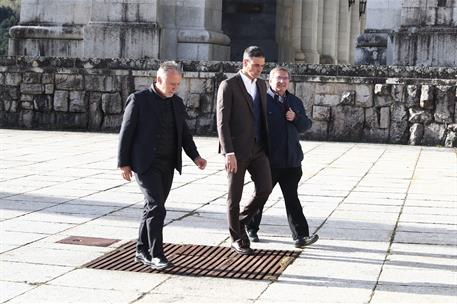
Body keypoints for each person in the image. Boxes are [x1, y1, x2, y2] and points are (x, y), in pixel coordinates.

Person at [118, 61, 207, 269]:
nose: (175, 88)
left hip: (168, 164)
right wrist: (124, 164)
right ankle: (156, 253)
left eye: (178, 84)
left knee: (152, 208)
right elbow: (126, 132)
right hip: (145, 164)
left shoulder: (176, 103)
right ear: (158, 80)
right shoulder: (138, 100)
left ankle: (141, 250)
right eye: (171, 84)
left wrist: (196, 157)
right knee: (158, 207)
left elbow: (184, 133)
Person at [246, 66, 319, 248]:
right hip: (268, 161)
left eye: (285, 78)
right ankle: (250, 228)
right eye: (278, 78)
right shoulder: (260, 101)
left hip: (291, 161)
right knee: (261, 195)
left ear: (289, 81)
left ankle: (301, 236)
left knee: (292, 198)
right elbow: (253, 129)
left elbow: (305, 125)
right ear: (270, 81)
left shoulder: (294, 101)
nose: (282, 81)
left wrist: (295, 117)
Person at [216, 46, 272, 255]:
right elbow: (222, 122)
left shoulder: (262, 85)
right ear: (245, 63)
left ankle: (239, 222)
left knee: (265, 188)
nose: (259, 69)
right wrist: (228, 152)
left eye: (262, 66)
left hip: (259, 149)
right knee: (234, 196)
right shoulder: (228, 86)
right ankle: (237, 238)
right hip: (236, 151)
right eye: (256, 65)